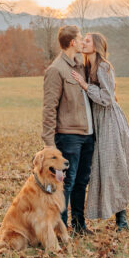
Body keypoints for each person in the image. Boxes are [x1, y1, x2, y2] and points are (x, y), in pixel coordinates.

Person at [71, 31, 129, 232]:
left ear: (96, 46)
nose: (83, 42)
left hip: (109, 120)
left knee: (112, 169)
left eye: (87, 41)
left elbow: (107, 98)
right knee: (106, 169)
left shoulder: (104, 67)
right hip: (95, 122)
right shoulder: (86, 66)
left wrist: (84, 85)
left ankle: (121, 220)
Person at [41, 24, 94, 235]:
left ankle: (79, 225)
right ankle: (60, 230)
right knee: (67, 183)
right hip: (69, 137)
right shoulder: (56, 70)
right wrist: (49, 144)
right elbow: (49, 107)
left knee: (82, 181)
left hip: (87, 135)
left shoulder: (79, 65)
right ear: (72, 42)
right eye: (80, 38)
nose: (82, 41)